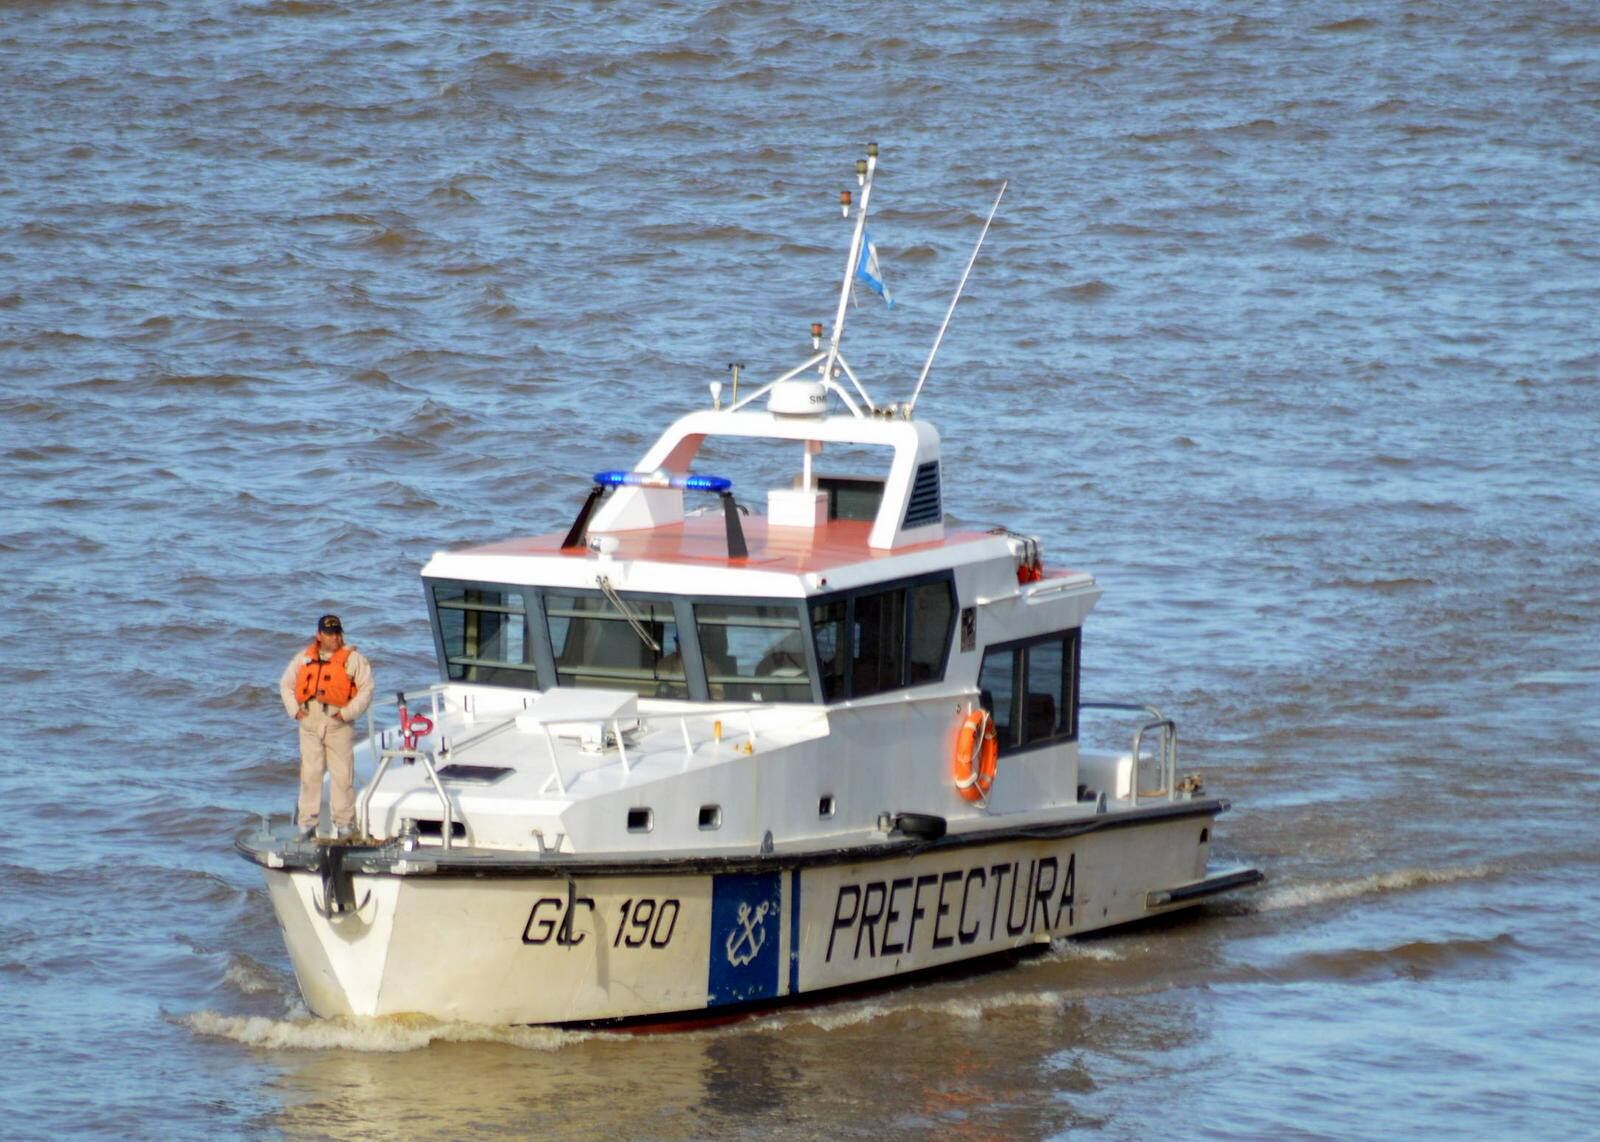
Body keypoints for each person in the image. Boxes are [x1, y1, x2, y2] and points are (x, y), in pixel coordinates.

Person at [278, 614, 375, 840]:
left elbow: (367, 690)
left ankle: (344, 826)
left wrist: (347, 713)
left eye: (338, 632)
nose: (335, 637)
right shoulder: (303, 658)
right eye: (330, 633)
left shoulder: (354, 660)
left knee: (342, 776)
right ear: (319, 635)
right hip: (309, 724)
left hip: (338, 724)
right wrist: (295, 710)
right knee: (310, 775)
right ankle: (306, 825)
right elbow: (286, 685)